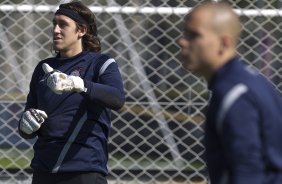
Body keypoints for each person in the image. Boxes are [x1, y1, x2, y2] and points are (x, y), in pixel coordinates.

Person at [18, 1, 125, 184]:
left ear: (81, 30)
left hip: (84, 171)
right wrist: (26, 126)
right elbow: (30, 116)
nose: (56, 30)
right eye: (54, 24)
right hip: (43, 170)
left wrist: (78, 84)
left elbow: (117, 98)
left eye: (63, 24)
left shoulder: (101, 63)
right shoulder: (43, 68)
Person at [178, 2, 282, 184]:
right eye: (185, 33)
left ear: (224, 42)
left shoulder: (235, 94)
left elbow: (247, 173)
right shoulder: (252, 82)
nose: (182, 41)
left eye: (194, 35)